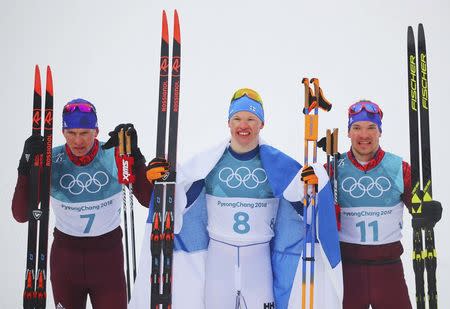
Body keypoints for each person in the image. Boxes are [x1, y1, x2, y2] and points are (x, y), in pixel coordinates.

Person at [130, 88, 343, 309]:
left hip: (258, 263)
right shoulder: (208, 163)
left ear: (262, 124)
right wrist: (163, 178)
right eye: (237, 118)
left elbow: (302, 200)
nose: (244, 125)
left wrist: (316, 181)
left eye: (251, 119)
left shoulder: (278, 165)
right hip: (219, 262)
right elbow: (176, 199)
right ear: (229, 123)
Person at [12, 98, 162, 309]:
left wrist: (135, 158)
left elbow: (148, 201)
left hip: (107, 261)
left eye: (84, 133)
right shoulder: (51, 160)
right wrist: (24, 168)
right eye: (71, 133)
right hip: (66, 261)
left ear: (96, 131)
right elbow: (20, 215)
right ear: (63, 132)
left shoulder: (113, 155)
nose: (78, 141)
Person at [327, 100, 442, 309]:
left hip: (388, 269)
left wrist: (430, 210)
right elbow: (309, 209)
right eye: (357, 128)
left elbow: (418, 206)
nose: (364, 135)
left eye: (371, 128)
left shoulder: (398, 167)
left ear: (380, 131)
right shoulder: (333, 168)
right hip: (346, 271)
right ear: (348, 132)